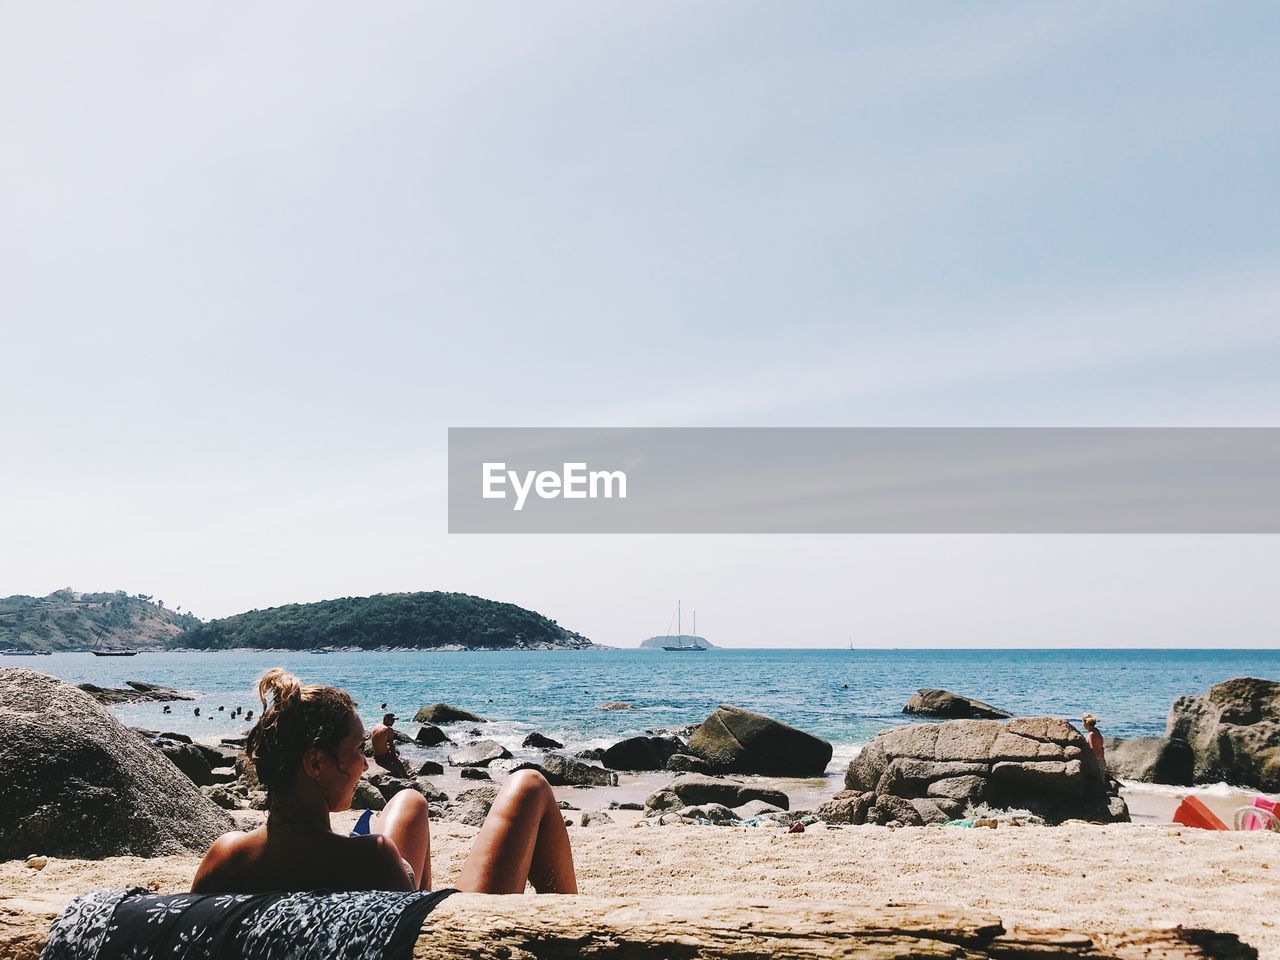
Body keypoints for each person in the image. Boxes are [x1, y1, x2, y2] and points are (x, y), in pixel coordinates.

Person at [191, 669, 576, 895]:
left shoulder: (224, 858)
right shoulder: (371, 860)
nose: (365, 765)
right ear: (315, 763)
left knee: (410, 800)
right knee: (528, 784)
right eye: (358, 750)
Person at [370, 712, 409, 778]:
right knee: (398, 757)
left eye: (394, 720)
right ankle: (405, 776)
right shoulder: (389, 730)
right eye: (391, 720)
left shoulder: (375, 727)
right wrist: (395, 758)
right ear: (385, 719)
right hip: (383, 756)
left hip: (376, 756)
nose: (393, 722)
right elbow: (391, 746)